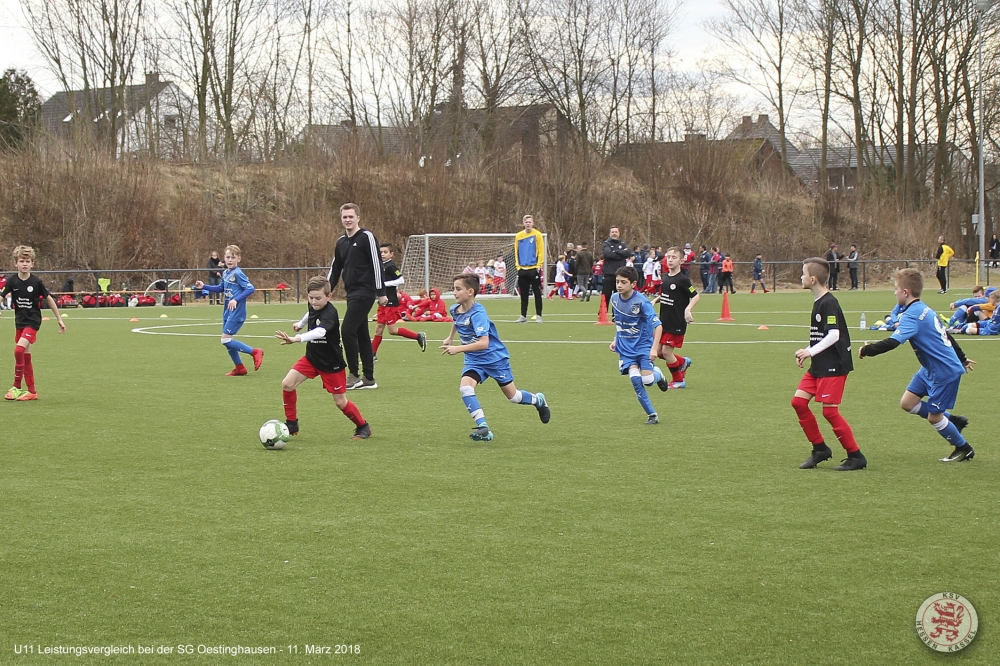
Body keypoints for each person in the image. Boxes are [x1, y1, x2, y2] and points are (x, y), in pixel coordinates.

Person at [859, 268, 976, 462]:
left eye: (896, 288)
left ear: (905, 292)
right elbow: (946, 335)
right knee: (907, 403)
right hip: (930, 368)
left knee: (934, 417)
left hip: (943, 371)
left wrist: (868, 350)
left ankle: (964, 448)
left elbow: (894, 342)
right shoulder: (924, 308)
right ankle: (953, 421)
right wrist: (962, 358)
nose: (894, 292)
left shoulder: (912, 315)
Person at [440, 273, 550, 441]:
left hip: (494, 359)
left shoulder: (478, 314)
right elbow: (456, 320)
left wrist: (458, 348)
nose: (454, 292)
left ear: (470, 292)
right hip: (474, 361)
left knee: (514, 397)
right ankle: (484, 428)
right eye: (454, 288)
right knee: (465, 388)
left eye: (458, 289)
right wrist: (450, 337)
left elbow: (484, 343)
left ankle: (538, 400)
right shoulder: (455, 308)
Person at [275, 276, 372, 440]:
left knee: (340, 402)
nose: (314, 302)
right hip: (312, 358)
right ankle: (291, 424)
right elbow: (310, 312)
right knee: (287, 384)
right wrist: (300, 324)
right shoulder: (314, 304)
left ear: (329, 296)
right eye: (310, 297)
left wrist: (297, 338)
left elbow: (320, 332)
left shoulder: (330, 313)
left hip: (331, 363)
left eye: (318, 298)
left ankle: (363, 426)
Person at [793, 257, 866, 471]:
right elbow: (821, 335)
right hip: (819, 364)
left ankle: (856, 455)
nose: (801, 277)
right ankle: (820, 449)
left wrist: (809, 351)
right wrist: (808, 350)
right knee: (798, 403)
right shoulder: (819, 302)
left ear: (813, 279)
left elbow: (834, 335)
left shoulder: (829, 302)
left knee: (830, 412)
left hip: (834, 365)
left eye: (803, 273)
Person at [327, 203, 386, 390]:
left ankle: (353, 375)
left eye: (351, 216)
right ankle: (369, 378)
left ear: (358, 217)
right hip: (351, 293)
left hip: (365, 291)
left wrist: (381, 292)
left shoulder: (366, 237)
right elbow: (335, 268)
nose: (347, 220)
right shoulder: (341, 242)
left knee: (347, 330)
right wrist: (326, 290)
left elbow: (377, 264)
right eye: (344, 217)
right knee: (361, 333)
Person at [2, 245, 66, 401]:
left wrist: (59, 319)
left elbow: (49, 298)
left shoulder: (36, 282)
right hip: (20, 322)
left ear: (32, 264)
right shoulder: (12, 280)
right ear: (15, 263)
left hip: (33, 321)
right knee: (26, 355)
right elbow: (2, 295)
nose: (24, 264)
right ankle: (32, 391)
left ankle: (16, 386)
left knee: (18, 351)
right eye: (21, 261)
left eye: (27, 261)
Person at [193, 244, 264, 376]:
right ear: (224, 259)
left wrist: (236, 299)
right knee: (227, 341)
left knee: (225, 340)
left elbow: (250, 288)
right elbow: (221, 288)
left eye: (233, 257)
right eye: (227, 257)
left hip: (237, 311)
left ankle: (254, 352)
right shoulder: (226, 272)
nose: (230, 260)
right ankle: (239, 368)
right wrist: (204, 286)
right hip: (227, 310)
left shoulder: (238, 273)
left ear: (239, 259)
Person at [610, 266, 668, 424]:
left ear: (633, 284)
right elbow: (620, 322)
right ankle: (652, 415)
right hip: (626, 348)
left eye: (623, 282)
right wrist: (616, 339)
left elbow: (658, 326)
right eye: (617, 282)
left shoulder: (642, 302)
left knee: (648, 380)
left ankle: (658, 375)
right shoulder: (614, 299)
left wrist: (654, 348)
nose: (619, 285)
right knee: (636, 380)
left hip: (643, 347)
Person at [371, 243, 427, 359]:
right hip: (382, 301)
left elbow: (401, 280)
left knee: (392, 330)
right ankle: (372, 354)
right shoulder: (380, 265)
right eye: (380, 252)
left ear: (391, 254)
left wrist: (384, 284)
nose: (382, 254)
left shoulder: (391, 266)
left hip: (390, 302)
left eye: (385, 252)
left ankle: (418, 336)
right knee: (379, 328)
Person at [656, 246, 699, 389]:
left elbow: (695, 295)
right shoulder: (666, 277)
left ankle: (678, 380)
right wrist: (656, 300)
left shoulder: (683, 280)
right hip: (664, 321)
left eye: (674, 257)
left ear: (682, 260)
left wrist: (688, 309)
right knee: (658, 352)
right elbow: (667, 295)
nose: (670, 260)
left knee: (667, 352)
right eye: (668, 257)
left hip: (676, 322)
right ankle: (682, 362)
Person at [514, 214, 545, 323]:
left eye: (529, 222)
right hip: (522, 269)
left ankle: (539, 315)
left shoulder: (537, 235)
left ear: (533, 223)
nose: (528, 224)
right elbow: (516, 251)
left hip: (533, 268)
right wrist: (518, 266)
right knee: (524, 293)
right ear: (523, 223)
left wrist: (538, 265)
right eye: (526, 222)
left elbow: (541, 251)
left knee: (537, 292)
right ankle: (523, 315)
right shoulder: (518, 236)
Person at [600, 227, 632, 313]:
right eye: (613, 232)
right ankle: (603, 314)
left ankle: (617, 314)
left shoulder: (623, 243)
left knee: (619, 295)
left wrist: (615, 252)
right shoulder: (606, 244)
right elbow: (608, 254)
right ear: (610, 234)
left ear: (619, 233)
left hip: (621, 274)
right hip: (609, 274)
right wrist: (621, 253)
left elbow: (628, 253)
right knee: (606, 295)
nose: (614, 233)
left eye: (616, 232)